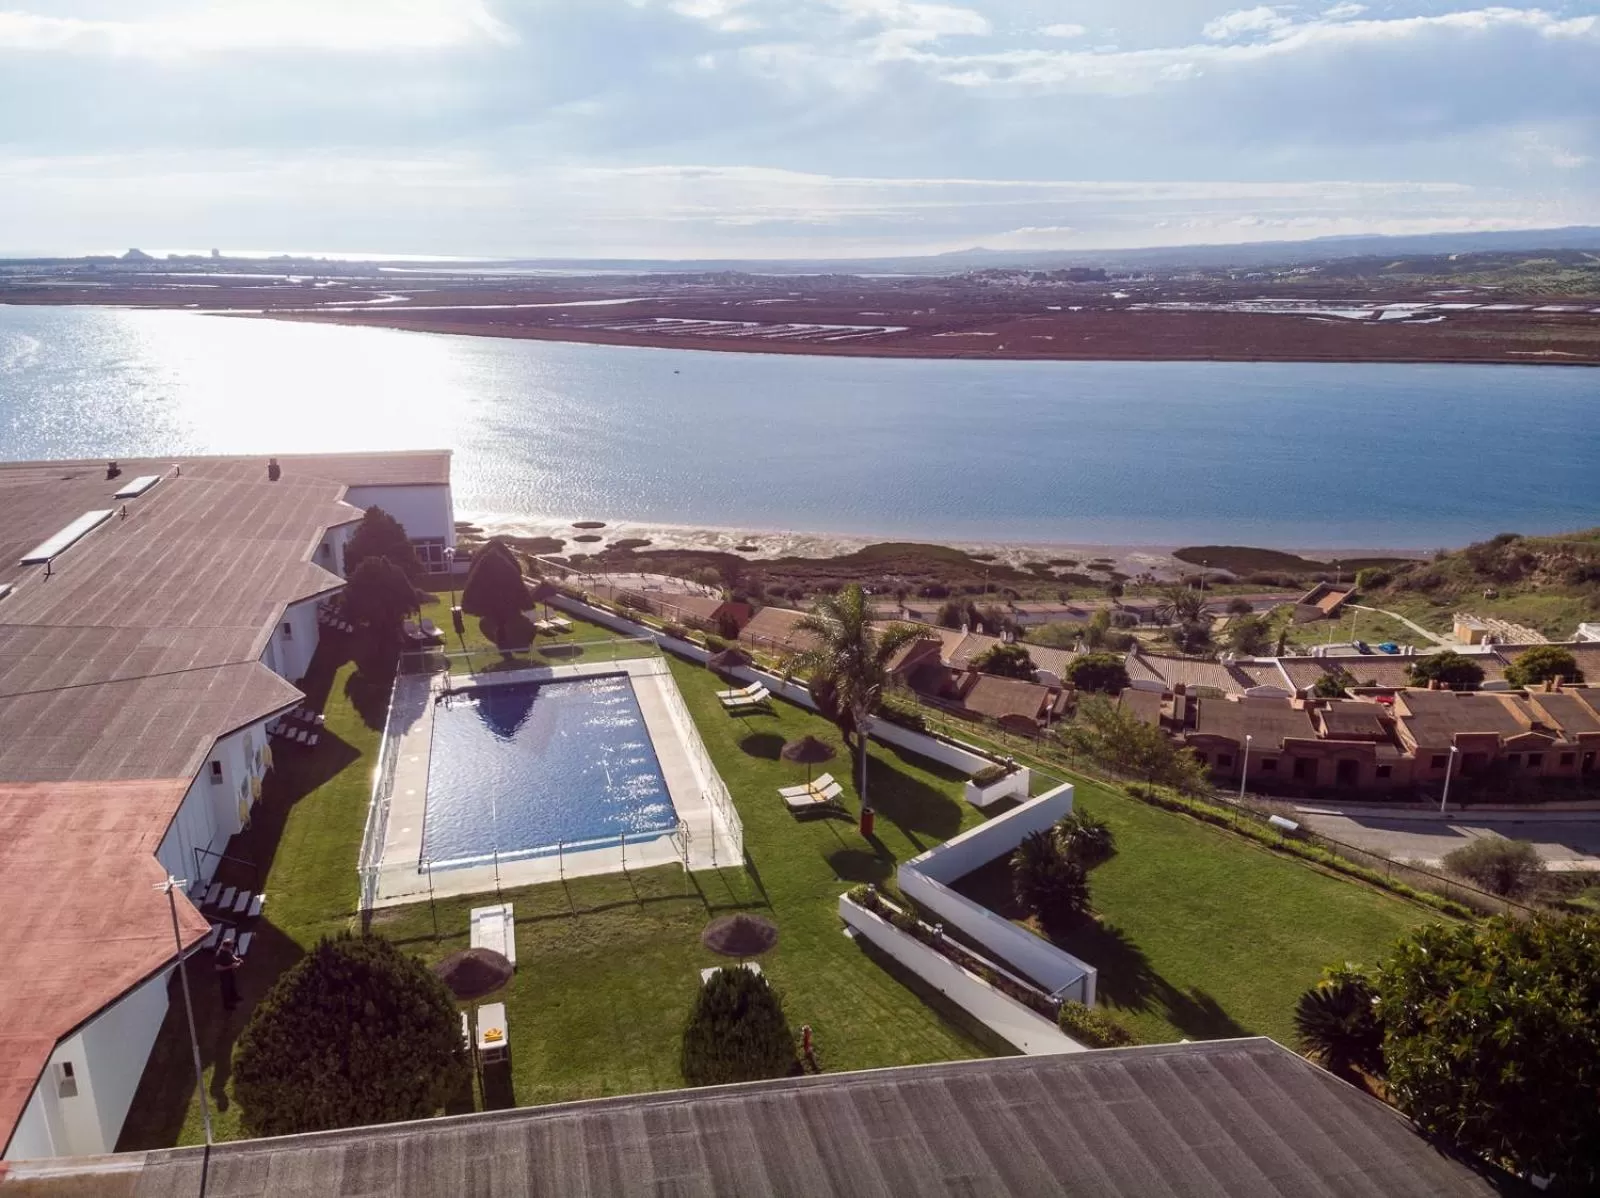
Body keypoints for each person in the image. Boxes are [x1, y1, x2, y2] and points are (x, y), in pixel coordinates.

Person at [214, 933, 243, 1011]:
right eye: (230, 947)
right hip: (224, 976)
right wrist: (230, 966)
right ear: (225, 946)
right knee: (226, 989)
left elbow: (232, 954)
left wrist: (237, 959)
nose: (231, 948)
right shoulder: (219, 955)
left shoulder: (228, 949)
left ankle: (234, 997)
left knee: (232, 985)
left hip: (231, 972)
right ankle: (227, 1005)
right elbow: (217, 968)